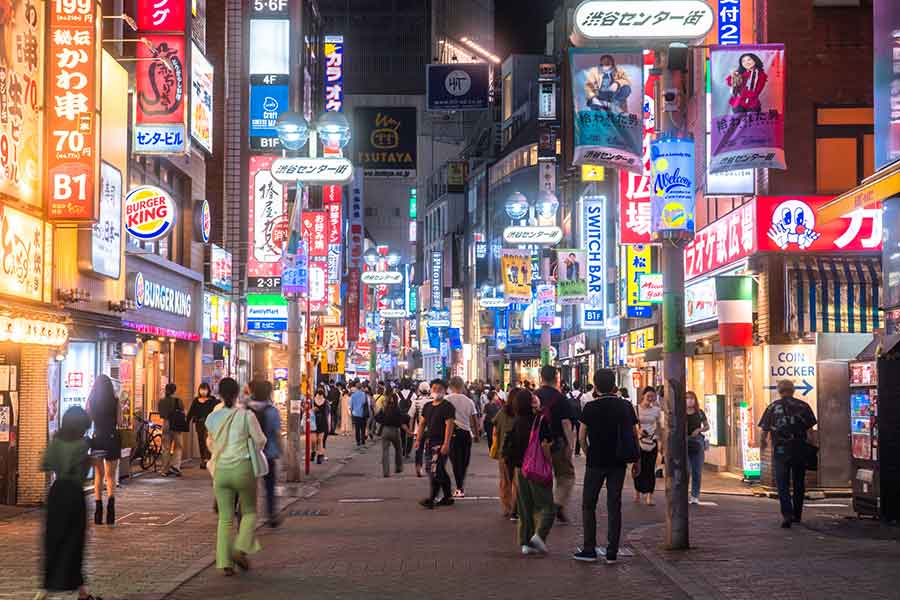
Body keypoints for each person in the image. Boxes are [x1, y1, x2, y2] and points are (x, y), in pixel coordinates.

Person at [573, 369, 641, 564]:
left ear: (595, 386)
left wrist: (588, 452)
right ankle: (612, 551)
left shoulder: (590, 407)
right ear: (614, 385)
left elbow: (581, 437)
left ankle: (589, 548)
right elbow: (634, 434)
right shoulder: (626, 406)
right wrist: (637, 460)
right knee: (614, 504)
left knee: (589, 504)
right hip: (618, 461)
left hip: (596, 461)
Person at [37, 406, 102, 600]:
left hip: (56, 493)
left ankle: (46, 589)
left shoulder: (56, 441)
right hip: (73, 494)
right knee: (74, 541)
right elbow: (80, 474)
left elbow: (45, 465)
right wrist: (91, 462)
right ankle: (81, 591)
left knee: (54, 539)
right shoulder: (81, 444)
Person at [205, 377, 266, 576]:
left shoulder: (213, 417)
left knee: (225, 518)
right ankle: (239, 549)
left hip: (221, 471)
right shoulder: (246, 416)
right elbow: (260, 441)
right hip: (242, 468)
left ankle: (225, 562)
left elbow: (210, 443)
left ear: (219, 394)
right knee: (248, 512)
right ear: (237, 393)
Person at [502, 388, 555, 555]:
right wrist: (550, 462)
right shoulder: (539, 421)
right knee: (548, 507)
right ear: (531, 402)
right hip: (536, 469)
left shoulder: (517, 422)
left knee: (525, 509)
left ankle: (525, 543)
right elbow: (546, 445)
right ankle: (539, 536)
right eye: (534, 397)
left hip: (520, 469)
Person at [759, 380, 817, 528]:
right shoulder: (803, 406)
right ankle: (797, 514)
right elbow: (810, 432)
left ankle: (787, 514)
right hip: (799, 449)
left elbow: (764, 430)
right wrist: (812, 445)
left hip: (781, 450)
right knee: (799, 482)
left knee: (782, 484)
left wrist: (763, 443)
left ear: (779, 390)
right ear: (793, 390)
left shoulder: (773, 407)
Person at [535, 365, 576, 524]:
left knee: (539, 476)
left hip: (537, 445)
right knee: (566, 475)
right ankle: (558, 503)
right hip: (557, 443)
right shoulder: (560, 398)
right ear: (556, 378)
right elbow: (566, 423)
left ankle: (541, 507)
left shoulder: (534, 396)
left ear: (541, 377)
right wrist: (570, 445)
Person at [414, 379, 456, 509]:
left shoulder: (448, 406)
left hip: (441, 443)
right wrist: (418, 440)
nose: (436, 390)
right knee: (434, 469)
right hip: (429, 442)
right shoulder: (427, 406)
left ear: (445, 390)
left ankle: (432, 499)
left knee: (435, 470)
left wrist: (446, 444)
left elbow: (449, 425)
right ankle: (447, 496)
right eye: (434, 388)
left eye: (439, 388)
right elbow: (422, 424)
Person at [85, 374, 120, 526]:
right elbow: (119, 421)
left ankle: (98, 511)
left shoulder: (91, 400)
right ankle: (111, 510)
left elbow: (87, 419)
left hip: (97, 438)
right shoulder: (115, 401)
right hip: (112, 439)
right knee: (110, 476)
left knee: (98, 476)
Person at [249, 380, 282, 527]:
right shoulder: (272, 411)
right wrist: (282, 451)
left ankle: (246, 516)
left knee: (249, 487)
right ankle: (271, 514)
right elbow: (276, 434)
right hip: (268, 454)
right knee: (269, 486)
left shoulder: (246, 410)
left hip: (249, 454)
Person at [446, 376, 478, 498]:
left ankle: (459, 486)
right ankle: (460, 483)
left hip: (452, 434)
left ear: (451, 386)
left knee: (455, 461)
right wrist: (477, 435)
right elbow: (474, 419)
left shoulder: (446, 400)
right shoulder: (469, 401)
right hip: (466, 434)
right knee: (464, 460)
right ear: (462, 386)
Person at [634, 386, 663, 506]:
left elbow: (659, 427)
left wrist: (661, 442)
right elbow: (632, 425)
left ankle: (649, 496)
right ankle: (637, 493)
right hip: (639, 443)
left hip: (652, 442)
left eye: (653, 396)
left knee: (651, 469)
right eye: (648, 396)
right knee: (639, 468)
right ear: (643, 396)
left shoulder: (656, 410)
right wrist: (638, 432)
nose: (651, 398)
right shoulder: (635, 409)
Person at [492, 389, 518, 520]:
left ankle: (506, 508)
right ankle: (515, 508)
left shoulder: (502, 412)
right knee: (516, 482)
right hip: (519, 453)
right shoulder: (521, 414)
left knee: (504, 481)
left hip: (503, 452)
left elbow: (495, 430)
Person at [375, 391, 410, 477]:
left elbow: (377, 417)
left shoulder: (384, 408)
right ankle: (398, 467)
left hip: (385, 431)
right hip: (395, 431)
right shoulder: (397, 409)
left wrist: (383, 421)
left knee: (385, 451)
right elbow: (403, 420)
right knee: (398, 449)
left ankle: (386, 472)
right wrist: (408, 429)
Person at [188, 383, 220, 470]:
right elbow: (191, 412)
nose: (203, 391)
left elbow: (218, 409)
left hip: (209, 424)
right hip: (199, 423)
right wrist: (187, 422)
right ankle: (203, 459)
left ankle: (208, 459)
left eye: (205, 389)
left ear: (208, 390)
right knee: (201, 441)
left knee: (208, 440)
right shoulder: (196, 400)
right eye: (202, 389)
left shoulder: (212, 400)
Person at [686, 391, 710, 504]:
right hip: (684, 442)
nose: (689, 400)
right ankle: (683, 494)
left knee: (697, 470)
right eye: (687, 398)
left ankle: (695, 496)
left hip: (697, 442)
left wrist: (699, 430)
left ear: (695, 400)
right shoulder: (680, 413)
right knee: (686, 470)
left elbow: (707, 426)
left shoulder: (699, 413)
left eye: (691, 398)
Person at [158, 383, 185, 477]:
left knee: (166, 448)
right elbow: (182, 411)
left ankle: (164, 470)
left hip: (165, 424)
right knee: (179, 446)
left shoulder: (162, 401)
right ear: (175, 390)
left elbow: (161, 414)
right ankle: (175, 465)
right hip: (176, 424)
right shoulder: (178, 401)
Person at [409, 381, 432, 477]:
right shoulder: (432, 401)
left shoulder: (416, 401)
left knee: (419, 449)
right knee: (430, 449)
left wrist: (410, 430)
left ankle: (418, 468)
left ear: (419, 390)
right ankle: (429, 467)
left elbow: (411, 416)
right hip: (431, 429)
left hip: (419, 430)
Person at [397, 381, 416, 457]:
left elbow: (396, 405)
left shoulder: (398, 394)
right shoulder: (413, 394)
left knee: (402, 434)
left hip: (401, 416)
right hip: (410, 416)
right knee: (410, 433)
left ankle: (403, 450)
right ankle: (407, 452)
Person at [568, 382, 585, 457]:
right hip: (579, 417)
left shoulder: (568, 395)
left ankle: (569, 450)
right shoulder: (582, 396)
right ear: (579, 387)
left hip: (570, 417)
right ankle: (577, 452)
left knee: (569, 433)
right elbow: (584, 407)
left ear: (573, 386)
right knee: (579, 434)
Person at [482, 390, 501, 459]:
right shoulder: (487, 405)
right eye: (496, 395)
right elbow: (484, 415)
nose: (497, 396)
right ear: (492, 397)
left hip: (496, 423)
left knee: (495, 437)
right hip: (488, 423)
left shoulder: (498, 405)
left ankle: (495, 450)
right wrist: (481, 425)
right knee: (490, 437)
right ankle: (491, 450)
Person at [349, 382, 369, 447]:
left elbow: (351, 405)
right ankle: (363, 440)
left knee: (357, 428)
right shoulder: (364, 394)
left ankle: (358, 441)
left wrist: (351, 411)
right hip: (363, 414)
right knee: (363, 428)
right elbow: (365, 403)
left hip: (356, 414)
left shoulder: (353, 395)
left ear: (356, 387)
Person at [313, 388, 329, 464]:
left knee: (316, 440)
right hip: (322, 422)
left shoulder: (313, 401)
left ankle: (317, 454)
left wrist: (313, 409)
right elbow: (327, 414)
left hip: (314, 422)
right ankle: (319, 456)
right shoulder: (325, 402)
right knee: (320, 440)